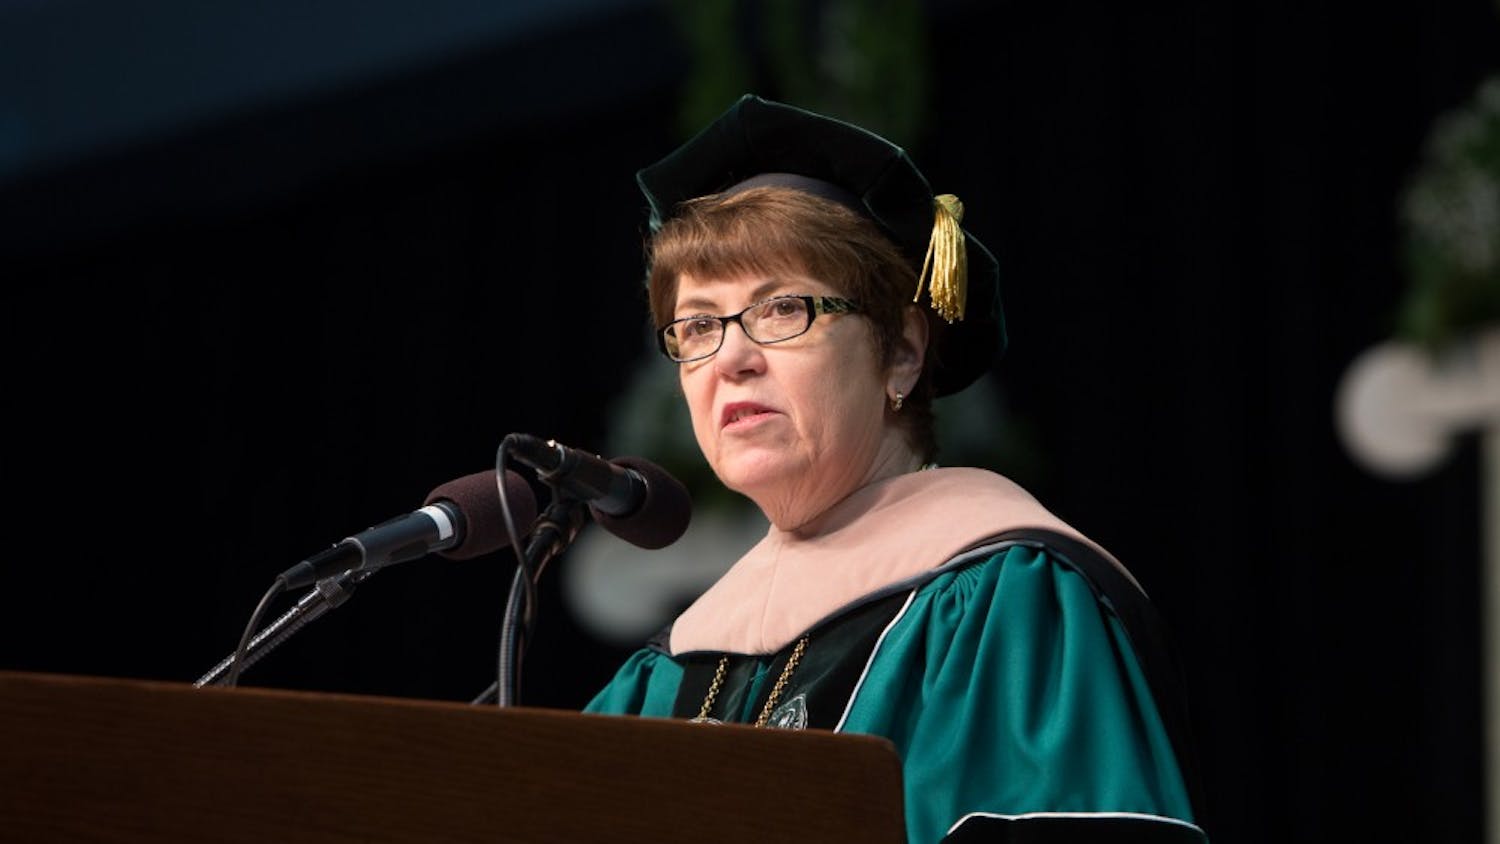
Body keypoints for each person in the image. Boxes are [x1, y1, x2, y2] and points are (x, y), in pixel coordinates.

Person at [584, 94, 1210, 844]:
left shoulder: (1003, 604)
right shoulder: (661, 679)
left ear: (903, 352)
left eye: (783, 309)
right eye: (698, 325)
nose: (732, 359)